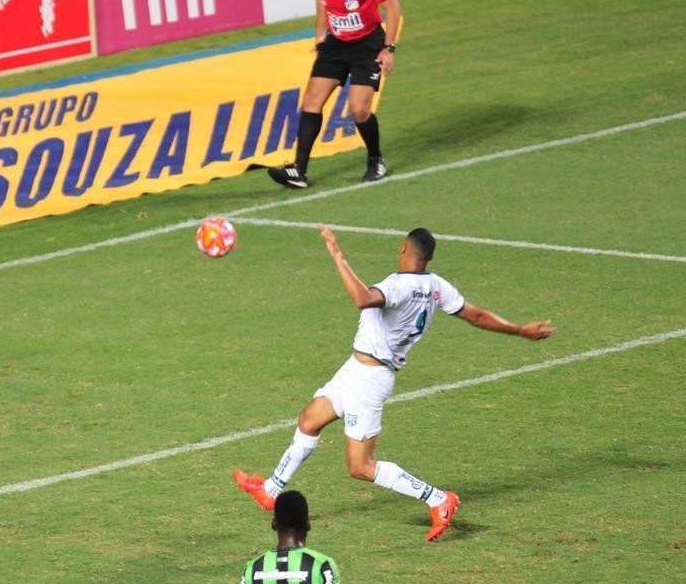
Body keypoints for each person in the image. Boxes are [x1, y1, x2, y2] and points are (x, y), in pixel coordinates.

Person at [235, 225, 555, 541]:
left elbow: (362, 299)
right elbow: (477, 316)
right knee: (309, 419)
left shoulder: (398, 286)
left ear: (403, 248)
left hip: (369, 380)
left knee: (360, 466)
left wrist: (337, 255)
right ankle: (271, 490)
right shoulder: (438, 287)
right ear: (428, 257)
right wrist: (520, 330)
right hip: (356, 369)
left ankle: (438, 499)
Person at [269, 0, 402, 189]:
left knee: (359, 109)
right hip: (336, 44)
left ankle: (375, 159)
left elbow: (393, 7)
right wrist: (320, 35)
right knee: (311, 101)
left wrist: (388, 49)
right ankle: (298, 171)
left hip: (368, 45)